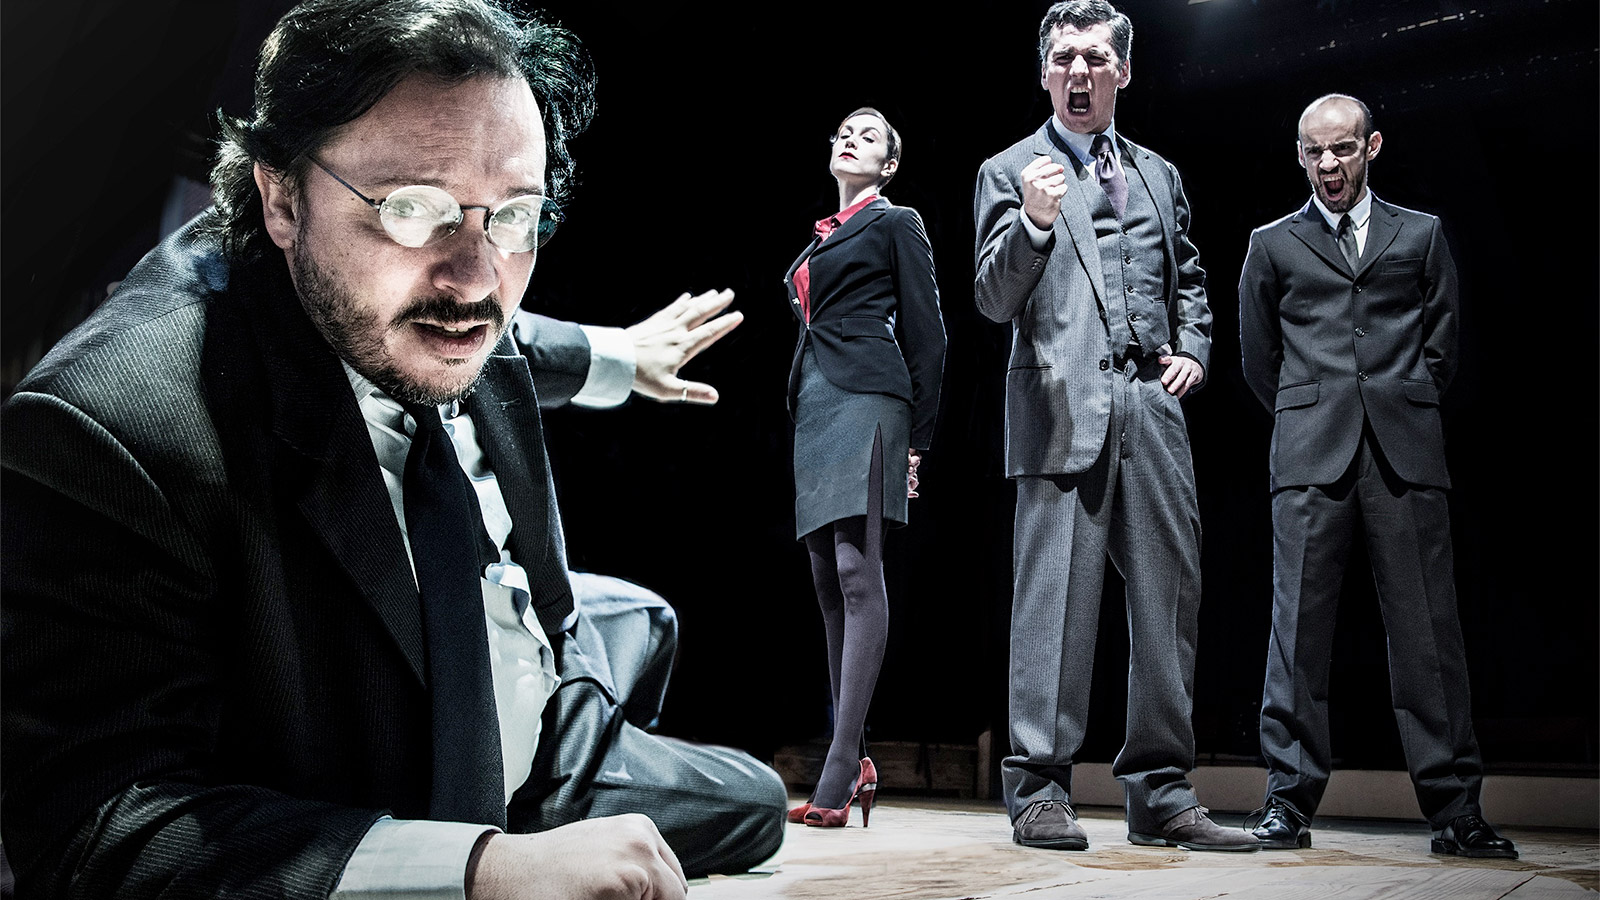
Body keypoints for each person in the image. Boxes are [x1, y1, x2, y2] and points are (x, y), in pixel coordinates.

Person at [0, 1, 789, 898]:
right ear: (282, 199)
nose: (477, 281)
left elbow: (522, 336)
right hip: (378, 799)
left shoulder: (428, 297)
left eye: (515, 215)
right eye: (414, 209)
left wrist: (619, 357)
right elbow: (96, 830)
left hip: (550, 731)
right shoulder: (110, 428)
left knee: (755, 800)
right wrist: (479, 869)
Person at [974, 0, 1254, 853]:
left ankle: (1161, 791)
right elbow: (992, 297)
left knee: (1169, 601)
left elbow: (1189, 275)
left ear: (1122, 72)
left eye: (1095, 57)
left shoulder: (1159, 173)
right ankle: (1039, 789)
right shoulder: (1009, 170)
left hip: (1150, 407)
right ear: (1044, 72)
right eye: (1064, 57)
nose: (1079, 72)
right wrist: (1034, 221)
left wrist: (1195, 348)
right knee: (1053, 607)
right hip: (1061, 407)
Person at [1238, 93, 1516, 859]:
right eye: (1314, 151)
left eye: (1342, 148)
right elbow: (1259, 357)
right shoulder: (1271, 244)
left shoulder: (1420, 234)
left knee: (1429, 637)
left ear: (1372, 147)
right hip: (1310, 453)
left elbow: (1443, 344)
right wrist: (1310, 411)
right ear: (1300, 156)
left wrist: (1399, 401)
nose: (1328, 163)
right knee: (1297, 637)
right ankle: (1287, 804)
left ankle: (1456, 812)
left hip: (1405, 450)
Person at [781, 108, 946, 829]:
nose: (851, 138)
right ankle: (854, 755)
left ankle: (842, 761)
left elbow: (929, 335)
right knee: (827, 581)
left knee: (856, 568)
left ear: (889, 166)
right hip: (817, 405)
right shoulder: (821, 237)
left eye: (869, 135)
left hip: (871, 400)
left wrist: (918, 439)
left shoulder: (896, 222)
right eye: (844, 131)